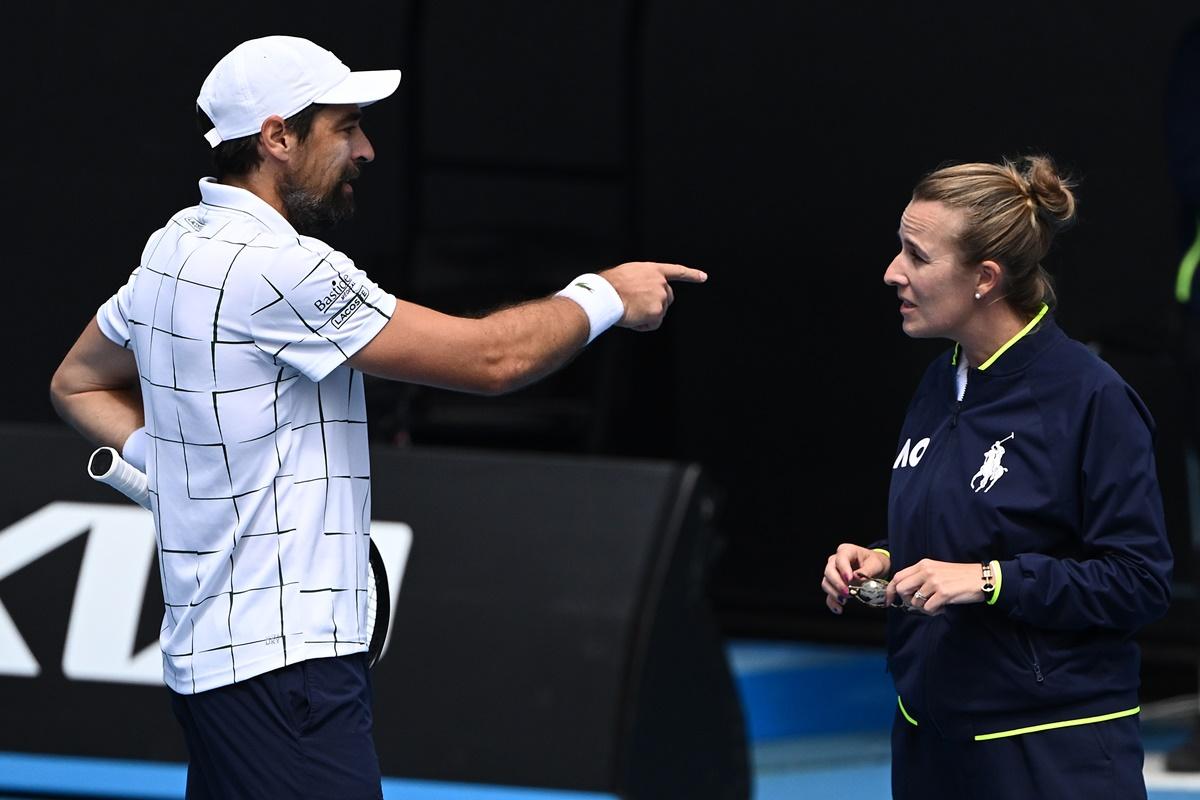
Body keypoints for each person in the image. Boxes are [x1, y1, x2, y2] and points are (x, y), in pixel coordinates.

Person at [48, 35, 705, 800]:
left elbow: (76, 384)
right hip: (288, 677)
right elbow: (491, 360)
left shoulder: (172, 249)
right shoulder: (283, 268)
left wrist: (180, 472)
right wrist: (606, 296)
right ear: (277, 137)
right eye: (346, 126)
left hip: (214, 668)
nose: (365, 148)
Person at [820, 155, 1173, 799]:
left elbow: (1140, 581)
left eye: (917, 256)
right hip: (931, 739)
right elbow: (972, 534)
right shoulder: (939, 381)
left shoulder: (1090, 398)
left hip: (1051, 747)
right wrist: (883, 560)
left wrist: (988, 581)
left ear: (985, 278)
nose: (892, 272)